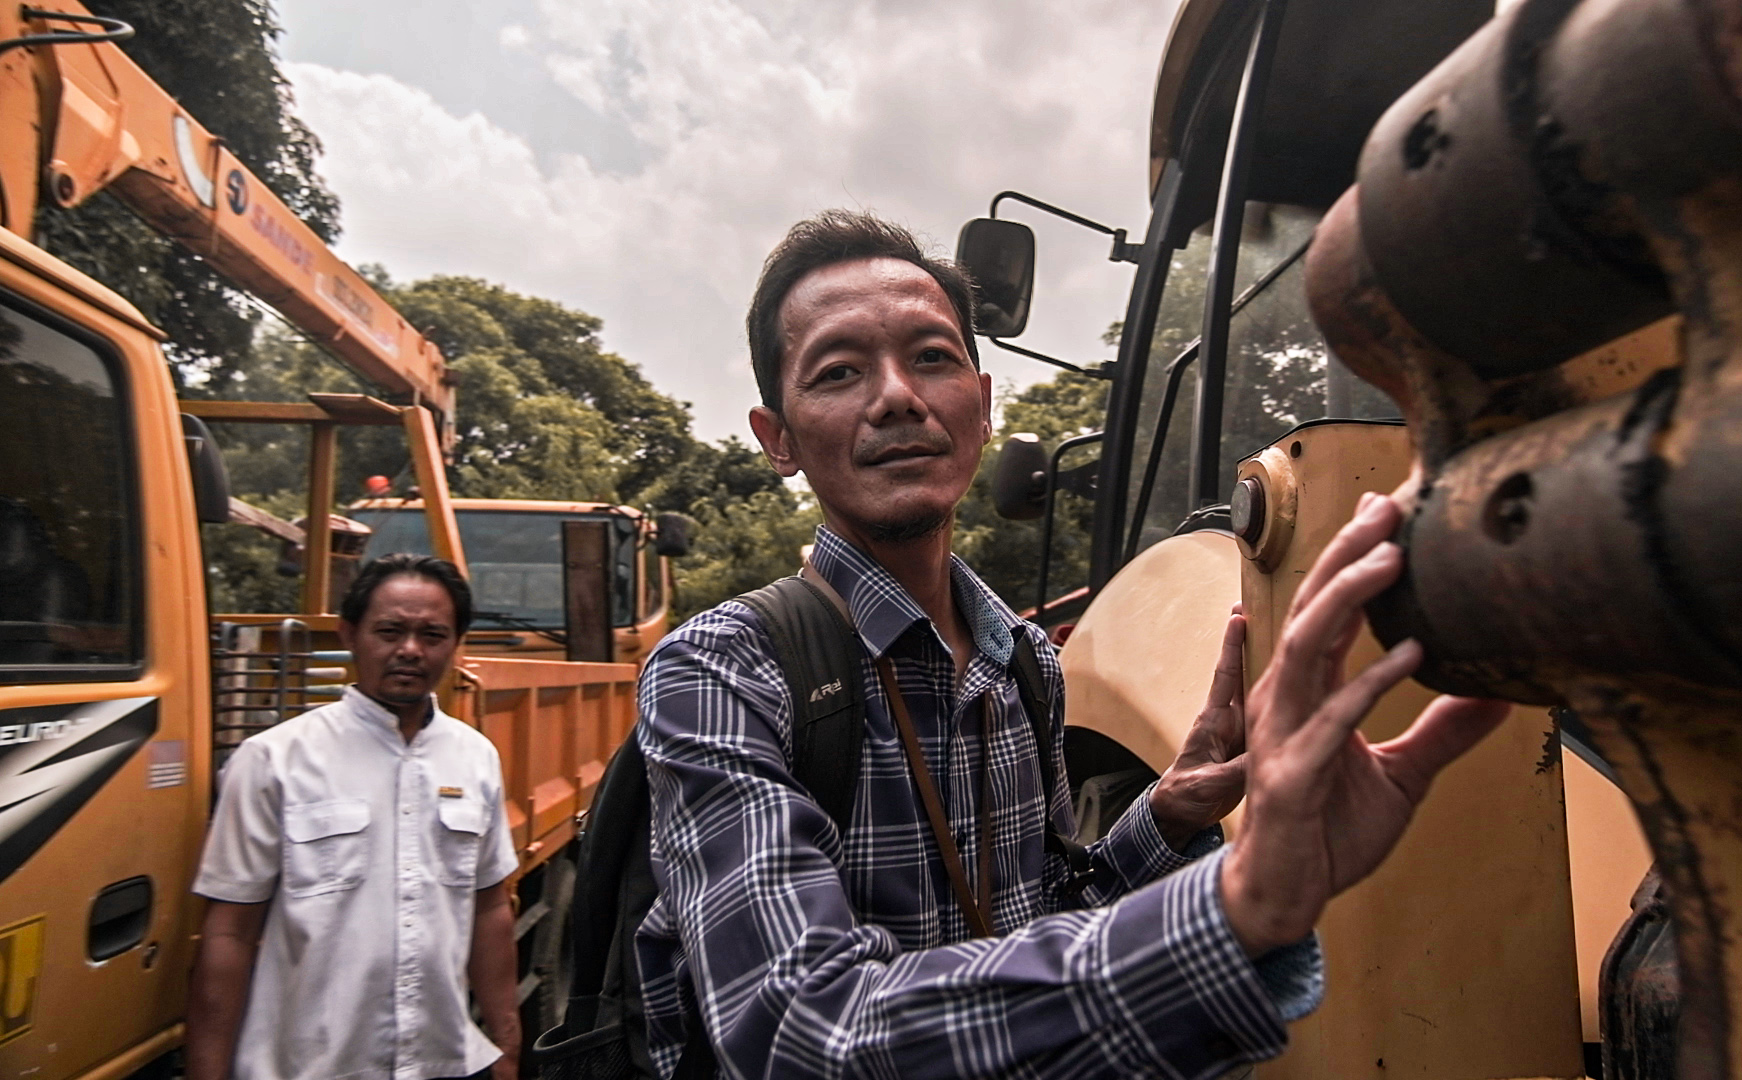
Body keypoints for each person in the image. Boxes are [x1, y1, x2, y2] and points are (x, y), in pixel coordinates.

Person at [634, 211, 1512, 1078]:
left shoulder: (1025, 662)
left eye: (933, 357)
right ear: (778, 438)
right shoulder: (721, 671)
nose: (897, 395)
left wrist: (1171, 812)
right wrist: (1233, 909)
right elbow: (798, 1034)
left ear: (979, 409)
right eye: (837, 371)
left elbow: (1046, 912)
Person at [186, 554, 521, 1080]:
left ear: (456, 645)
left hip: (446, 1062)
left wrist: (506, 1046)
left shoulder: (476, 757)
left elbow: (489, 907)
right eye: (389, 631)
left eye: (432, 635)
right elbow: (229, 933)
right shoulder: (274, 760)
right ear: (350, 634)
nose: (410, 650)